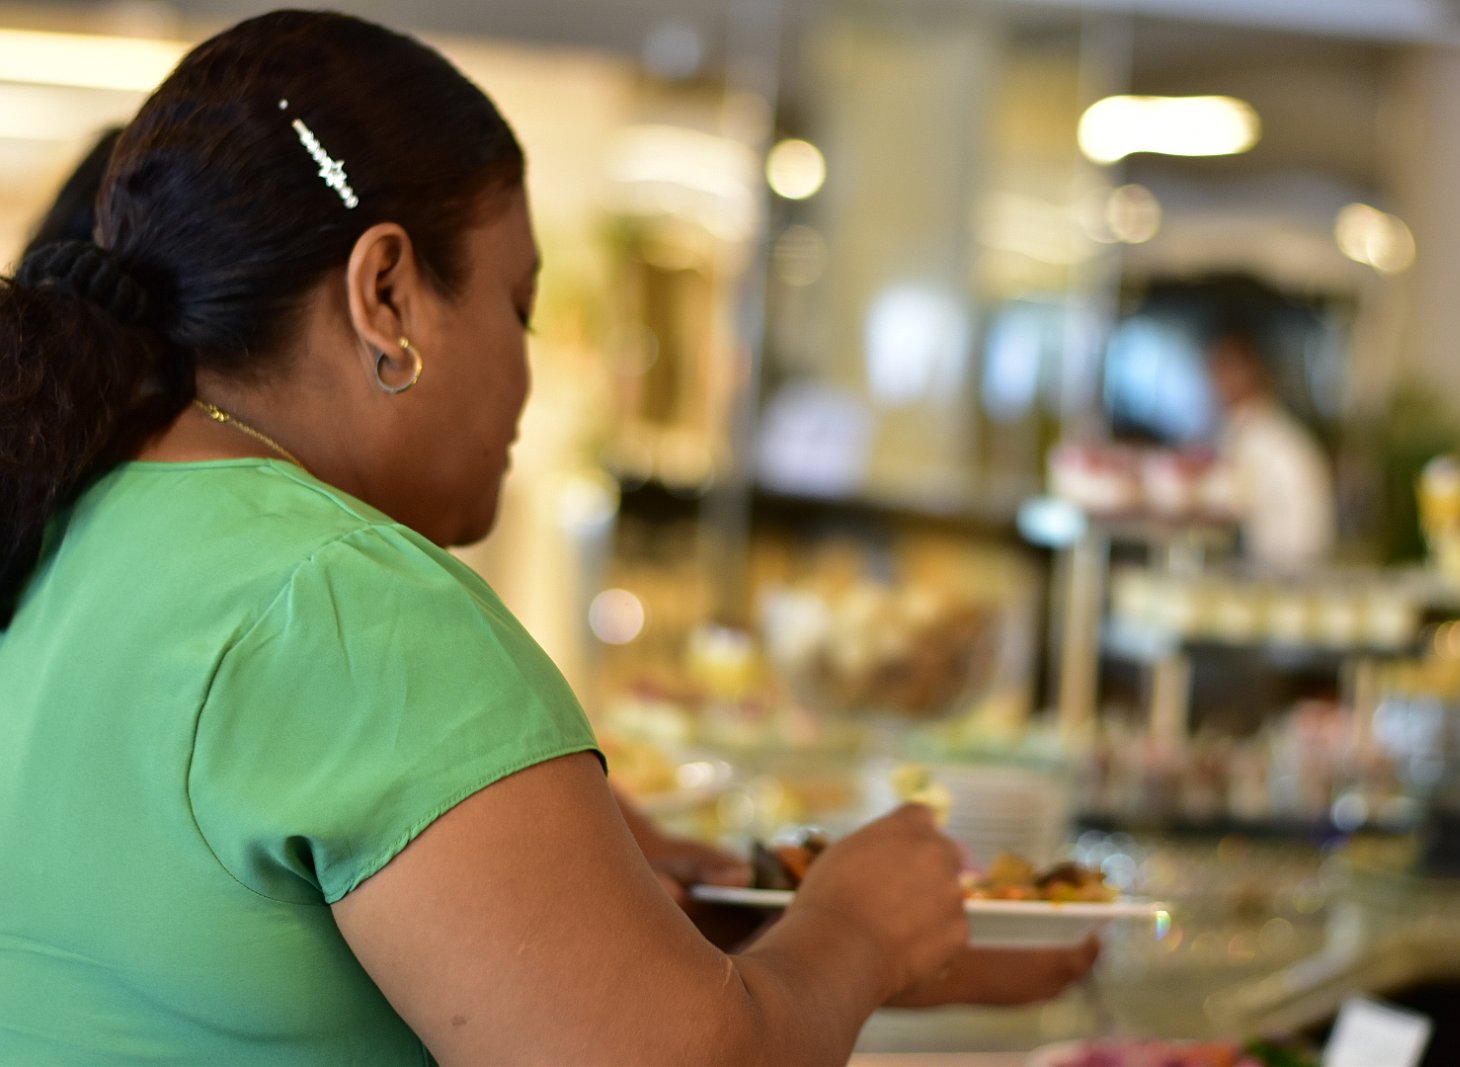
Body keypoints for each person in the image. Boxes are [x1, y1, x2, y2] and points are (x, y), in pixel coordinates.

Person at [0, 12, 1094, 1063]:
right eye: (518, 304)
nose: (525, 370)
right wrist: (858, 925)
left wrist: (633, 919)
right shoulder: (347, 598)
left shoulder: (67, 514)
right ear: (386, 294)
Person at [1207, 324, 1336, 571]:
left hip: (1279, 570)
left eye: (1226, 368)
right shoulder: (1244, 430)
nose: (1216, 381)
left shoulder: (1269, 439)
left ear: (1252, 370)